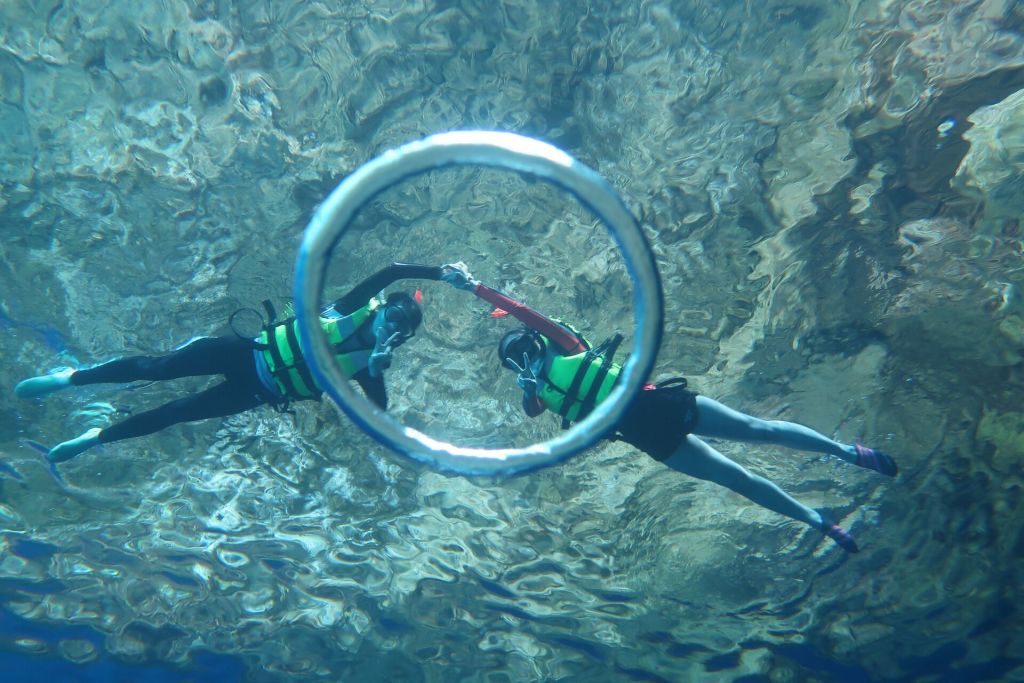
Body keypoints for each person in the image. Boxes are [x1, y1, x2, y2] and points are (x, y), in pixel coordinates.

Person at [441, 262, 897, 553]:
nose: (523, 358)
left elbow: (523, 311)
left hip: (660, 403)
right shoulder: (541, 391)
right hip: (650, 439)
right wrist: (527, 389)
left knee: (758, 430)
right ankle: (818, 521)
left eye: (523, 348)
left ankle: (845, 452)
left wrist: (475, 287)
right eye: (514, 359)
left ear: (535, 341)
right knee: (736, 479)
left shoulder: (566, 345)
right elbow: (533, 412)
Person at [16, 263, 449, 464]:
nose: (393, 327)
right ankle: (71, 378)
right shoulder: (349, 308)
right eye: (394, 315)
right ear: (382, 309)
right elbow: (391, 271)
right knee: (156, 368)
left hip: (256, 392)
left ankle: (95, 436)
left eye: (403, 330)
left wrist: (376, 370)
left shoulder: (370, 367)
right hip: (245, 351)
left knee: (176, 412)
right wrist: (438, 273)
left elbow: (378, 413)